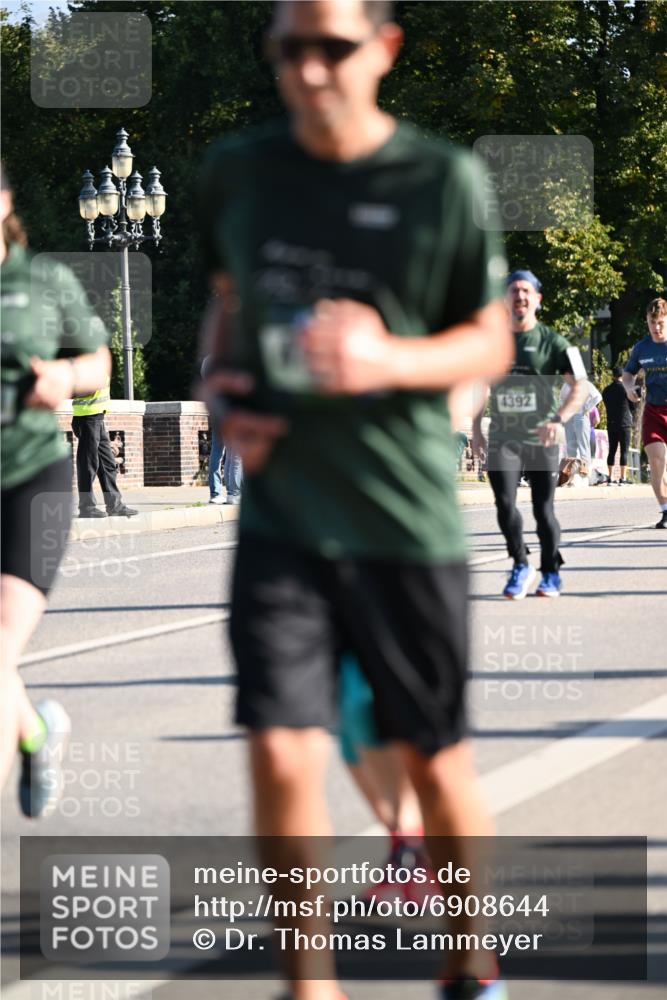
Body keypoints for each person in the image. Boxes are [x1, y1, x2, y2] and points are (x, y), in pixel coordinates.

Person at [198, 3, 515, 998]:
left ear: (382, 49)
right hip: (282, 516)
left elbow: (489, 338)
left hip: (401, 517)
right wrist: (220, 396)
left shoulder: (440, 179)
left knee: (433, 758)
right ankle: (310, 984)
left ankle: (470, 962)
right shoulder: (237, 173)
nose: (309, 68)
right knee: (283, 751)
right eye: (289, 48)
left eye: (332, 46)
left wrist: (388, 355)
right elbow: (223, 311)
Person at [1, 163, 111, 815]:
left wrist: (65, 375)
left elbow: (97, 359)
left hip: (30, 481)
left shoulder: (44, 280)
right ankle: (37, 734)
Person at [473, 270, 588, 598]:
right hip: (503, 437)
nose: (519, 296)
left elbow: (579, 384)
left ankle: (550, 572)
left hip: (542, 439)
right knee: (505, 504)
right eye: (513, 290)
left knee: (542, 509)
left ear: (537, 298)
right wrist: (478, 429)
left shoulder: (555, 342)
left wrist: (560, 419)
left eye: (526, 290)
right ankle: (520, 564)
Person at [622, 297, 667, 528]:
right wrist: (629, 387)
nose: (656, 327)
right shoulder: (642, 347)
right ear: (646, 322)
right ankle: (665, 509)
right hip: (653, 410)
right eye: (652, 322)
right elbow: (628, 374)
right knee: (656, 460)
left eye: (660, 322)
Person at [71, 377, 138, 518]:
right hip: (86, 417)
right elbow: (73, 387)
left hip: (97, 417)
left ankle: (115, 505)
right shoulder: (87, 359)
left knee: (108, 464)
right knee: (88, 465)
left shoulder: (98, 358)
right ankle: (86, 507)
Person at [201, 354, 243, 504]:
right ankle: (234, 493)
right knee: (235, 454)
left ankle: (215, 493)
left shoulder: (208, 361)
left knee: (217, 453)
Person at [558, 377, 602, 485]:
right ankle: (571, 475)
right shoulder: (566, 385)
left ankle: (585, 475)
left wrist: (586, 407)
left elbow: (598, 397)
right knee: (571, 447)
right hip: (569, 416)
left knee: (583, 446)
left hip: (581, 416)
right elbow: (561, 399)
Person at [601, 365, 634, 483]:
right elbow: (632, 406)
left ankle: (610, 478)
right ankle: (622, 478)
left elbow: (606, 404)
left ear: (613, 376)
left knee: (612, 450)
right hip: (624, 423)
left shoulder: (606, 390)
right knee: (624, 451)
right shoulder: (626, 389)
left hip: (611, 423)